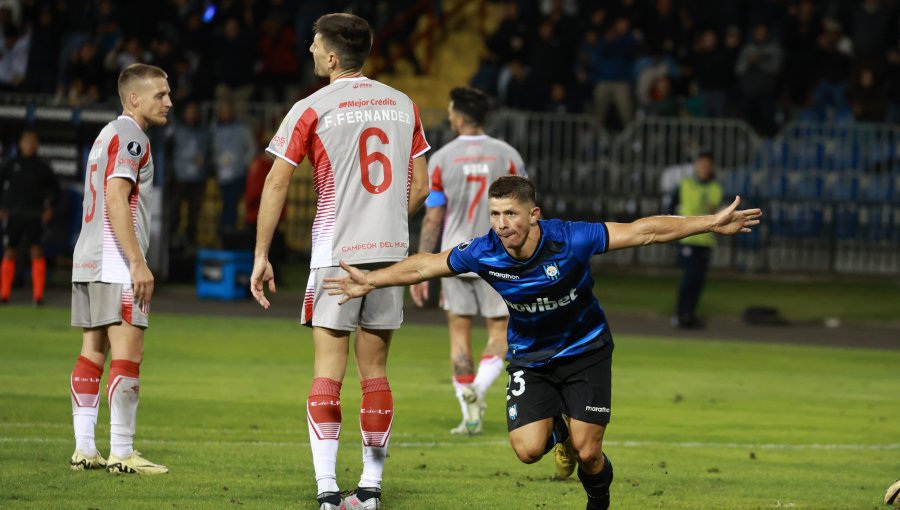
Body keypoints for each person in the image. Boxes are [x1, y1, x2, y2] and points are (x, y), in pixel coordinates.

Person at [324, 176, 762, 510]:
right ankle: (561, 429)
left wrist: (710, 222)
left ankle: (597, 500)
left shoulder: (570, 239)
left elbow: (643, 231)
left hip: (586, 350)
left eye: (510, 214)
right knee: (528, 450)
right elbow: (425, 267)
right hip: (532, 360)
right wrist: (372, 281)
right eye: (495, 215)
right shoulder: (485, 251)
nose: (501, 224)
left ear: (533, 214)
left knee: (590, 454)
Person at [249, 13, 430, 510]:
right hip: (390, 258)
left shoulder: (311, 107)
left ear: (332, 57)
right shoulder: (403, 104)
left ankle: (328, 491)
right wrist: (388, 218)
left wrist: (262, 254)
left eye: (313, 43)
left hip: (335, 256)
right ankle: (370, 491)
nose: (308, 49)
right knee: (376, 374)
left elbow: (278, 181)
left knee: (329, 373)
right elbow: (424, 185)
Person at [69, 63, 172, 475]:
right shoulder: (132, 137)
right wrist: (137, 262)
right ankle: (123, 452)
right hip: (116, 263)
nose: (169, 101)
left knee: (92, 352)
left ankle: (84, 449)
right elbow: (116, 197)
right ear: (134, 98)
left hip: (88, 258)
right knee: (129, 355)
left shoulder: (105, 134)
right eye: (160, 94)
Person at [411, 86, 525, 436]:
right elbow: (525, 210)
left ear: (459, 117)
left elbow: (433, 218)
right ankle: (480, 387)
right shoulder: (507, 155)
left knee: (459, 335)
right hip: (500, 254)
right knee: (500, 333)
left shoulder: (443, 158)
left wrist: (422, 268)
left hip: (456, 256)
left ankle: (469, 416)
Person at [0, 130, 59, 304]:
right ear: (20, 144)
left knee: (36, 251)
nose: (29, 145)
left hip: (34, 214)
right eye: (26, 142)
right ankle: (4, 295)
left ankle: (38, 296)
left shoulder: (42, 167)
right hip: (14, 213)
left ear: (37, 145)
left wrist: (50, 209)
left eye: (32, 142)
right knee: (10, 251)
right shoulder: (11, 164)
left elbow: (56, 191)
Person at [669, 152, 722, 329]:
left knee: (699, 280)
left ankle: (689, 314)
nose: (704, 167)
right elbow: (669, 208)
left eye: (708, 164)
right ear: (697, 165)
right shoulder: (684, 185)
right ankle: (680, 313)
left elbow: (714, 212)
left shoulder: (715, 188)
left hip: (705, 240)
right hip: (687, 238)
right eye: (702, 163)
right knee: (689, 277)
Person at [167, 101, 208, 252]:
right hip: (179, 177)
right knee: (175, 210)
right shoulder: (176, 128)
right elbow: (168, 149)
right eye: (190, 110)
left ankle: (190, 241)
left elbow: (209, 151)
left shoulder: (204, 131)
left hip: (198, 178)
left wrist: (206, 162)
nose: (192, 114)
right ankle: (171, 241)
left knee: (194, 212)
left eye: (194, 111)